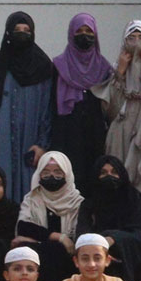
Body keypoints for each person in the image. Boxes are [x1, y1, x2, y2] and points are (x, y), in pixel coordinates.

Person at [97, 20, 141, 241]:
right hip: (121, 132)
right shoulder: (116, 68)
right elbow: (109, 109)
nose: (136, 43)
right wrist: (119, 73)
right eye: (131, 38)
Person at [0, 10, 56, 199]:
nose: (22, 34)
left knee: (29, 190)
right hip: (0, 139)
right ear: (8, 33)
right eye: (17, 30)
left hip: (30, 140)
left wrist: (42, 144)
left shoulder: (43, 66)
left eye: (26, 31)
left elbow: (48, 108)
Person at [49, 13, 114, 186]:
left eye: (88, 31)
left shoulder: (104, 68)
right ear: (71, 34)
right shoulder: (58, 66)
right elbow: (51, 105)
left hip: (96, 135)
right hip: (66, 134)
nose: (84, 35)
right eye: (79, 31)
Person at [14, 150, 87, 281]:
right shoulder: (32, 199)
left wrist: (38, 238)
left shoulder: (78, 202)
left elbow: (77, 240)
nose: (52, 176)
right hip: (38, 257)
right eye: (46, 172)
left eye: (58, 172)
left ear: (67, 174)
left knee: (56, 250)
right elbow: (23, 227)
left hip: (67, 261)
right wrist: (60, 238)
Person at [78, 157, 141, 281]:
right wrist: (100, 247)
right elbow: (82, 234)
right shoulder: (89, 203)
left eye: (114, 172)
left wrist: (113, 239)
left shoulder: (135, 199)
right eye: (103, 173)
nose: (109, 176)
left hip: (130, 257)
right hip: (95, 256)